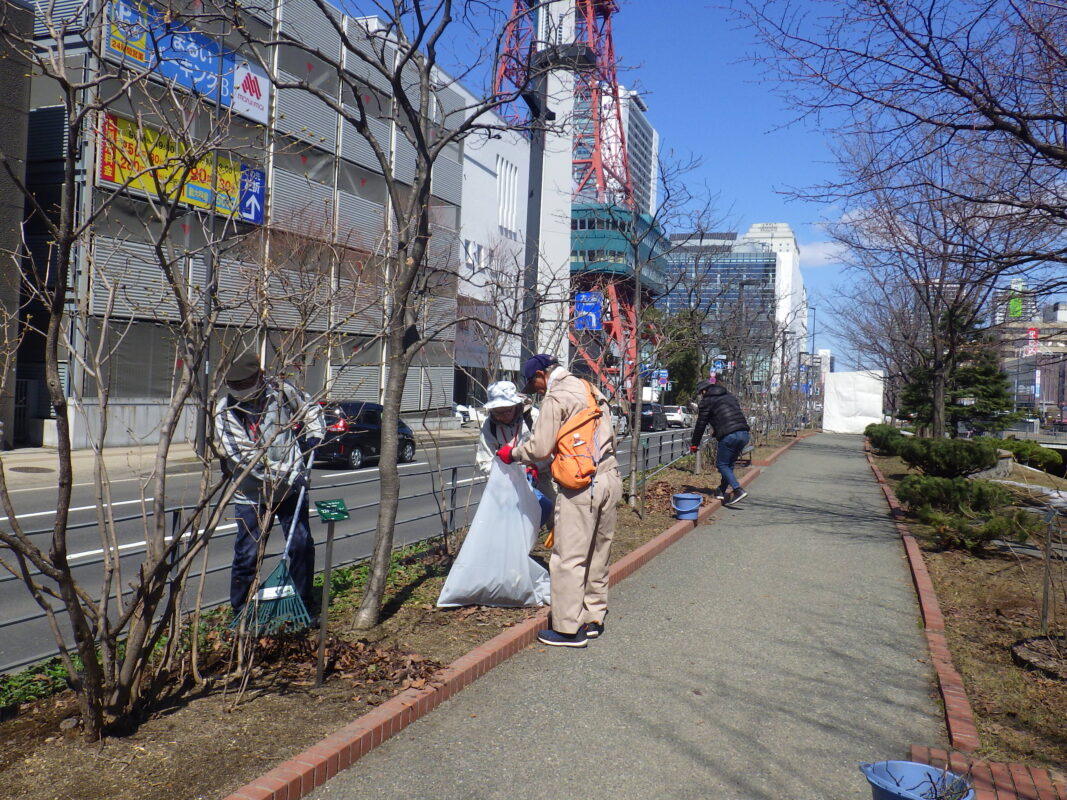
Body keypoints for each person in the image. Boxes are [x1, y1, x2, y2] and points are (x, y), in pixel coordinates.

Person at [497, 354, 622, 648]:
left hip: (580, 485)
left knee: (568, 558)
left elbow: (540, 447)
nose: (536, 390)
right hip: (610, 477)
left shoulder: (557, 397)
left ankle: (568, 629)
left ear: (542, 374)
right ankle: (593, 618)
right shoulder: (589, 388)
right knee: (598, 552)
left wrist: (513, 454)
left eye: (534, 384)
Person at [215, 351, 325, 616]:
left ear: (260, 376)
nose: (240, 391)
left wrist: (315, 436)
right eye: (235, 386)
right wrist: (290, 473)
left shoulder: (281, 393)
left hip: (289, 492)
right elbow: (246, 460)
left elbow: (310, 409)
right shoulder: (224, 411)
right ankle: (240, 608)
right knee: (248, 554)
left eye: (245, 384)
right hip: (251, 496)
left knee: (300, 545)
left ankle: (303, 602)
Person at [475, 380, 554, 530]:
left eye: (507, 411)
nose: (503, 416)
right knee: (507, 523)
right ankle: (516, 551)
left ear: (516, 405)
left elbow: (548, 451)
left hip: (540, 475)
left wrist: (534, 466)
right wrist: (504, 473)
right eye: (498, 412)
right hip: (506, 481)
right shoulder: (489, 426)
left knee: (552, 512)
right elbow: (484, 460)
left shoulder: (533, 418)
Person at [689, 377, 751, 506]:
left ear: (704, 391)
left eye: (701, 393)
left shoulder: (707, 401)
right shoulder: (730, 396)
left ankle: (738, 490)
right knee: (729, 464)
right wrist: (717, 432)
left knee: (722, 465)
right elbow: (729, 417)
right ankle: (721, 490)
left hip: (729, 436)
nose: (701, 396)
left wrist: (694, 443)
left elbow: (701, 424)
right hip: (744, 433)